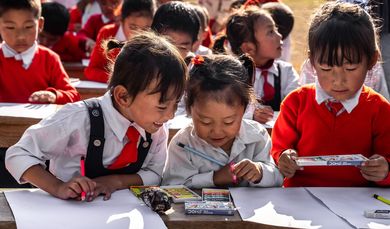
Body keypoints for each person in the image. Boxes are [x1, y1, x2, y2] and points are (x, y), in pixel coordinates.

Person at [6, 32, 187, 201]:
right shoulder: (78, 118)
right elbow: (18, 154)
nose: (170, 115)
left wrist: (113, 182)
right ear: (123, 96)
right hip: (67, 213)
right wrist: (58, 187)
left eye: (176, 104)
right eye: (162, 106)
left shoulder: (155, 126)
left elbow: (155, 173)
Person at [271, 1, 390, 187]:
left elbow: (388, 161)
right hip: (301, 201)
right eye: (326, 68)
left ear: (372, 60)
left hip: (357, 207)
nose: (338, 80)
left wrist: (384, 171)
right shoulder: (296, 103)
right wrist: (283, 159)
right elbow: (277, 151)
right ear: (312, 61)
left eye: (350, 67)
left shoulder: (379, 109)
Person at [162, 54, 283, 188]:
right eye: (206, 122)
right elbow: (171, 186)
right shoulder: (183, 144)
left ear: (244, 109)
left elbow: (277, 179)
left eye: (228, 122)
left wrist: (260, 172)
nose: (217, 131)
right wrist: (214, 178)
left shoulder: (256, 136)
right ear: (189, 110)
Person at [213, 6, 299, 124]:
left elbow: (297, 104)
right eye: (270, 32)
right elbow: (224, 110)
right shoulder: (232, 76)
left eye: (276, 29)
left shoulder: (286, 72)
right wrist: (251, 114)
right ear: (249, 48)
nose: (279, 36)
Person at [0, 0, 80, 104]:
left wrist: (54, 96)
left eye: (28, 27)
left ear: (40, 25)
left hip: (42, 120)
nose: (20, 36)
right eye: (10, 27)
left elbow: (73, 95)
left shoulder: (50, 59)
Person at [84, 0, 155, 83]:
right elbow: (91, 71)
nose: (139, 34)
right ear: (121, 20)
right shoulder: (107, 34)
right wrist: (119, 78)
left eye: (145, 29)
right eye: (133, 27)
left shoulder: (156, 39)